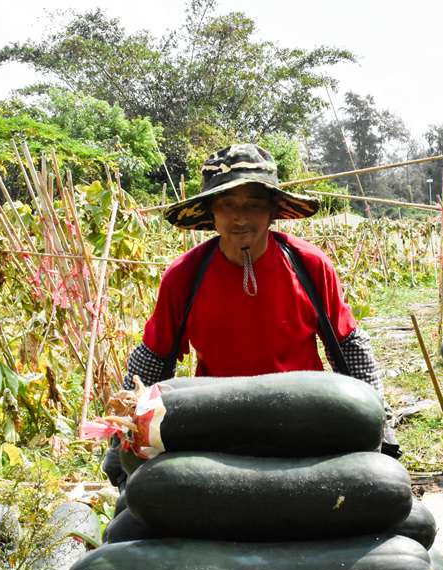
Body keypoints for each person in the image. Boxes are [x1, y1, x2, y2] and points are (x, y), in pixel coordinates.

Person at [103, 144, 399, 486]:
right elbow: (153, 361)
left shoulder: (309, 266)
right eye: (227, 205)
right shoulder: (185, 276)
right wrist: (119, 438)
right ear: (211, 211)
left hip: (306, 419)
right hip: (219, 426)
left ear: (273, 211)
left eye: (253, 205)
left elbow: (348, 347)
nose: (240, 218)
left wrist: (379, 419)